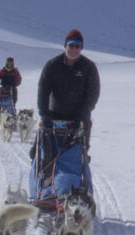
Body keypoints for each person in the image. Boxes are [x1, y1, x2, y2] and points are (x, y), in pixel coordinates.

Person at [32, 31, 99, 206]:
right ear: (65, 45)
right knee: (44, 155)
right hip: (53, 119)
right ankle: (45, 191)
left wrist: (82, 115)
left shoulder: (89, 67)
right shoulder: (52, 65)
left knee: (78, 156)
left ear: (81, 48)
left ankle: (79, 192)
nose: (74, 49)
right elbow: (43, 90)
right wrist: (44, 114)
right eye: (71, 45)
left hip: (79, 120)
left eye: (78, 46)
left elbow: (93, 94)